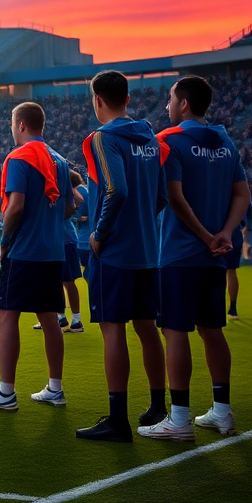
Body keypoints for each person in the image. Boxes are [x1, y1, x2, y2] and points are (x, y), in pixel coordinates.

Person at [140, 76, 250, 441]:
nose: (167, 106)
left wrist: (204, 236)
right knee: (212, 330)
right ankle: (222, 411)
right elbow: (242, 195)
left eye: (171, 99)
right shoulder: (225, 142)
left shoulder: (169, 141)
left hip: (179, 253)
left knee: (175, 332)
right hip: (214, 257)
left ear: (183, 103)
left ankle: (181, 418)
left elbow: (174, 197)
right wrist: (224, 234)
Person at [76, 70, 168, 443]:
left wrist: (100, 233)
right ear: (127, 99)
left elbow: (116, 190)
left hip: (115, 252)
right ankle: (158, 408)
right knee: (147, 328)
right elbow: (161, 195)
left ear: (98, 100)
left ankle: (117, 419)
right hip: (148, 251)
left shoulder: (103, 138)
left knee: (113, 330)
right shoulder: (149, 136)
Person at [0, 102, 73, 410]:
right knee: (50, 317)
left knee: (7, 316)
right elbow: (72, 204)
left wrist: (5, 241)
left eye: (11, 124)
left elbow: (15, 206)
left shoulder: (19, 157)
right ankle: (55, 389)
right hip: (53, 251)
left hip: (24, 250)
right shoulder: (61, 161)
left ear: (21, 125)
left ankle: (6, 393)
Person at [33, 168, 85, 333]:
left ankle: (76, 319)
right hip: (56, 240)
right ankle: (60, 316)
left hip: (65, 239)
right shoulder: (52, 184)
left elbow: (79, 199)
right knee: (57, 281)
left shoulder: (60, 184)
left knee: (68, 281)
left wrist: (61, 216)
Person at [226, 202, 252, 319]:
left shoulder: (217, 189)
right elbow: (249, 214)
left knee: (216, 271)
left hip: (216, 231)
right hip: (235, 232)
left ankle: (215, 308)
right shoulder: (241, 189)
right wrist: (246, 227)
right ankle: (233, 308)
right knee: (231, 271)